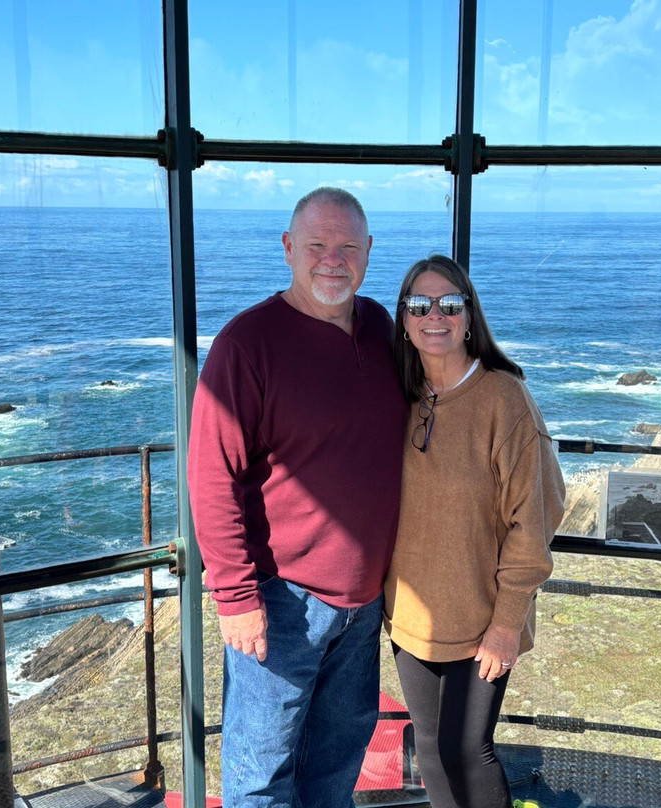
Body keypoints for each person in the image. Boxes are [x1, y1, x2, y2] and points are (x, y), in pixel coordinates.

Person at [188, 187, 407, 807]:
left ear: (368, 253)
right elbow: (210, 476)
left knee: (335, 768)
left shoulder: (378, 327)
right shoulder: (246, 344)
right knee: (262, 778)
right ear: (288, 249)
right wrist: (235, 596)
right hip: (281, 602)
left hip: (363, 608)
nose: (331, 259)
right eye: (316, 245)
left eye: (346, 247)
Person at [382, 254, 565, 808]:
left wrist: (507, 623)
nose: (434, 315)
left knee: (469, 750)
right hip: (411, 619)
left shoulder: (503, 399)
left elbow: (536, 515)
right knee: (432, 749)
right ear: (405, 320)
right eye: (420, 305)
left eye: (448, 304)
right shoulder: (400, 397)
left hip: (482, 619)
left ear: (468, 316)